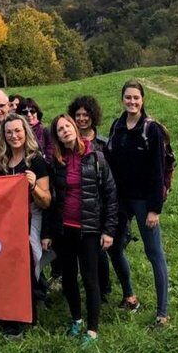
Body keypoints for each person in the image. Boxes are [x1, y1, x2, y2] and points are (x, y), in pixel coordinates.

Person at [43, 114, 117, 346]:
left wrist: (109, 230)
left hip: (90, 229)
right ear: (56, 136)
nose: (65, 131)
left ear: (74, 127)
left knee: (90, 278)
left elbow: (110, 194)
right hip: (65, 229)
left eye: (67, 126)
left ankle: (93, 329)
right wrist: (47, 232)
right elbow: (51, 200)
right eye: (59, 129)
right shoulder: (56, 162)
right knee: (69, 279)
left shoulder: (96, 156)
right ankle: (76, 319)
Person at [104, 80, 171, 329]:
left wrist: (155, 208)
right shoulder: (117, 126)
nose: (132, 102)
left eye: (136, 98)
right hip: (121, 200)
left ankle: (162, 313)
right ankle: (130, 296)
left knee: (154, 253)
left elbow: (157, 169)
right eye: (128, 97)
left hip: (144, 201)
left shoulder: (151, 129)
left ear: (143, 100)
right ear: (122, 99)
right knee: (113, 246)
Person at [0, 114, 52, 336]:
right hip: (6, 223)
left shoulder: (35, 161)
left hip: (28, 221)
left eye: (17, 131)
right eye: (9, 132)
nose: (13, 136)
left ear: (25, 132)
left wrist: (33, 186)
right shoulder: (0, 162)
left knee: (24, 269)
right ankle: (8, 313)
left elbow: (46, 200)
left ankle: (24, 318)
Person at [68, 95, 112, 300]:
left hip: (99, 204)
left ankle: (104, 288)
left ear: (93, 116)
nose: (82, 119)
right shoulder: (68, 143)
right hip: (79, 208)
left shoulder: (102, 144)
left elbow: (111, 178)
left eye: (86, 114)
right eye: (77, 115)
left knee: (100, 252)